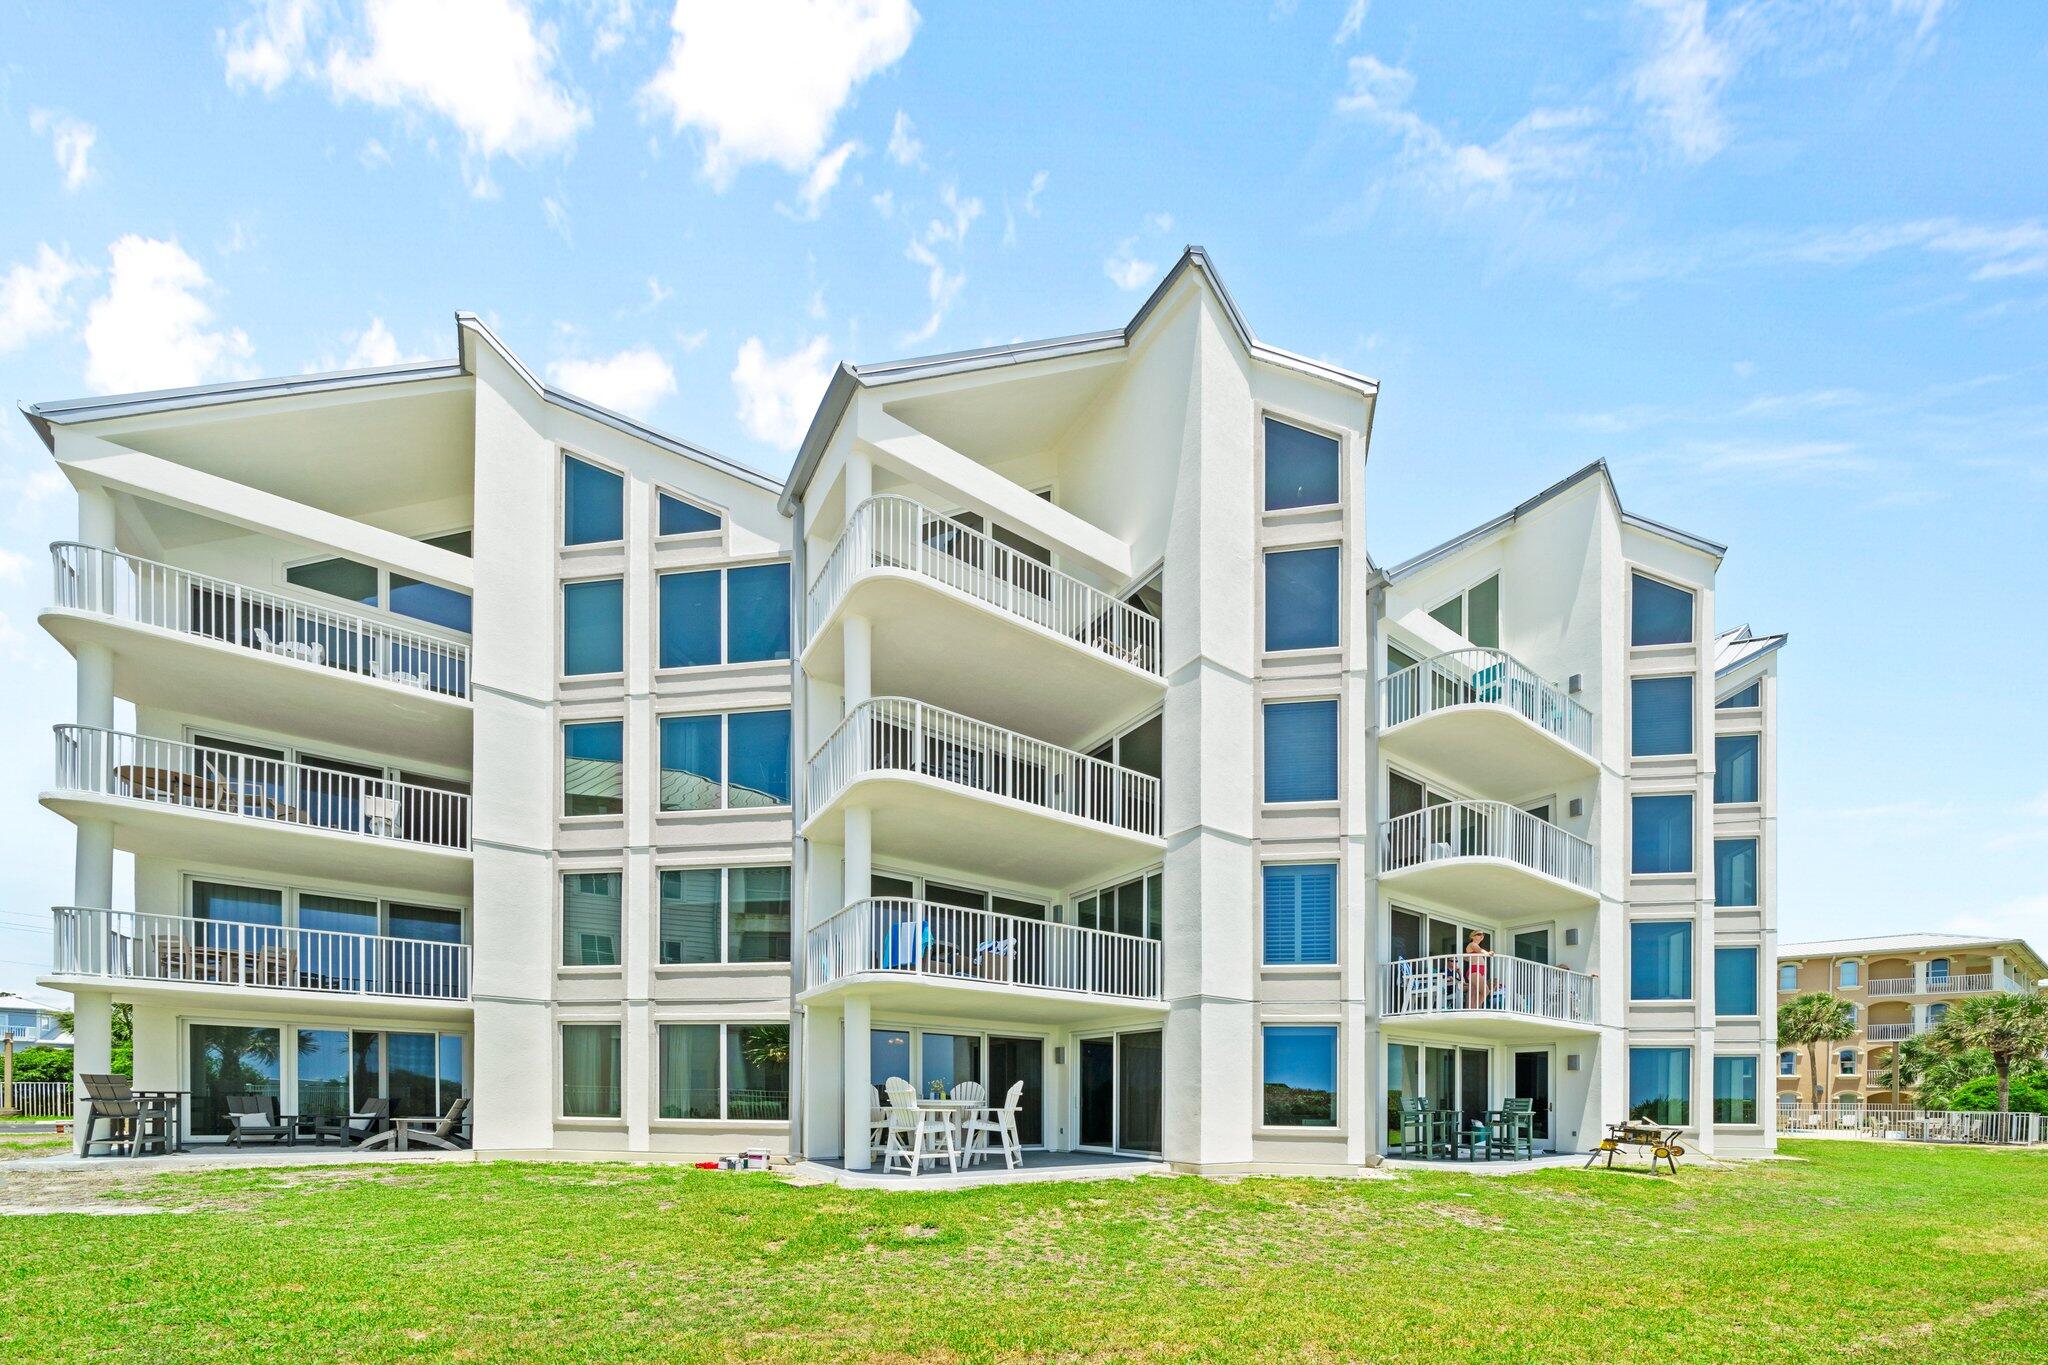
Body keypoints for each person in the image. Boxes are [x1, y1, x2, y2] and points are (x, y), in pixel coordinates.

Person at [1464, 929, 1491, 1007]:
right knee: (1486, 991)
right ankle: (1474, 1008)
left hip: (1479, 970)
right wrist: (1488, 953)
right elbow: (1480, 951)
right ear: (1473, 936)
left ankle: (1470, 1009)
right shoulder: (1472, 944)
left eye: (1482, 934)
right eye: (1479, 934)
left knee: (1474, 993)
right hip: (1475, 970)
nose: (1481, 935)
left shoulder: (1475, 945)